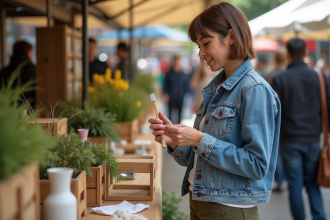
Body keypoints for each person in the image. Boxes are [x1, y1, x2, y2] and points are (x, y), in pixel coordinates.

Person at [149, 3, 281, 220]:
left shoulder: (254, 90)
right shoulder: (218, 88)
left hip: (229, 208)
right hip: (200, 200)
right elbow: (199, 158)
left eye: (206, 43)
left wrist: (200, 140)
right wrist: (175, 139)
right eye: (198, 46)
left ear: (230, 36)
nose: (201, 53)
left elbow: (258, 165)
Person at [272, 38, 328, 220]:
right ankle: (319, 217)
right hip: (313, 138)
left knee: (295, 185)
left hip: (289, 140)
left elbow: (273, 112)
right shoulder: (319, 76)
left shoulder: (279, 79)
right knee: (312, 183)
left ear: (287, 55)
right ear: (306, 54)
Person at [0, 40, 36, 108]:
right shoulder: (35, 72)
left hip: (7, 115)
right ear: (28, 53)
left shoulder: (2, 72)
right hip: (31, 115)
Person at [163, 55, 188, 124]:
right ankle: (170, 128)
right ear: (173, 62)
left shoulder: (183, 73)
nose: (177, 62)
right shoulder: (169, 73)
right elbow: (165, 84)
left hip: (180, 97)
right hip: (171, 97)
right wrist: (165, 93)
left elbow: (185, 85)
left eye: (178, 61)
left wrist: (185, 94)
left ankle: (178, 129)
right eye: (176, 61)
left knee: (180, 115)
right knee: (170, 115)